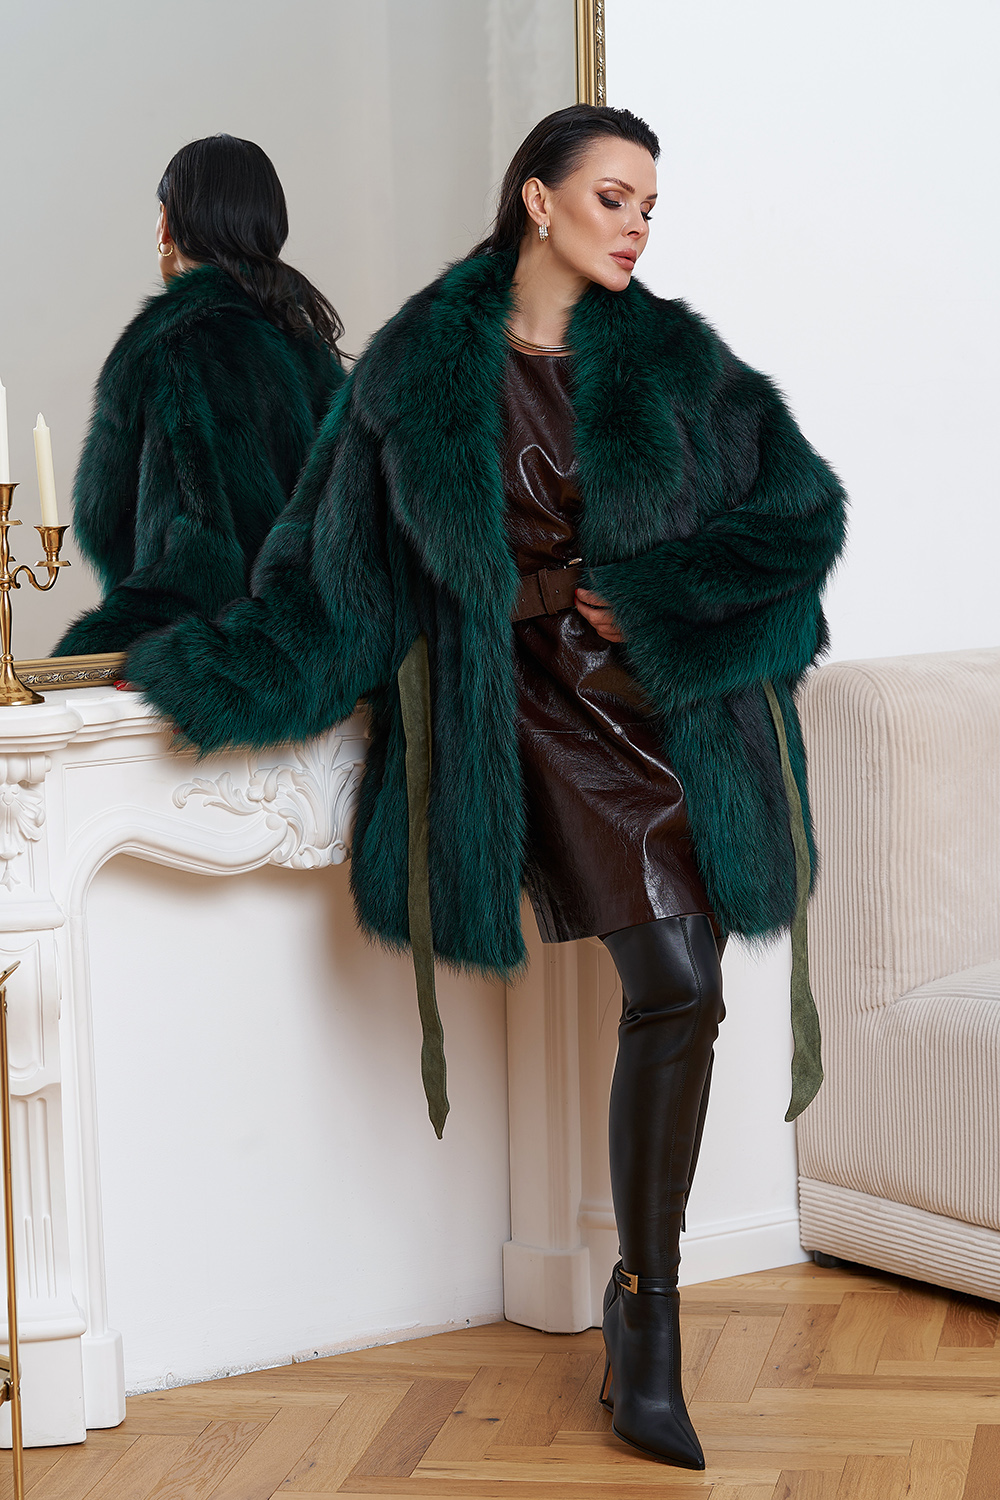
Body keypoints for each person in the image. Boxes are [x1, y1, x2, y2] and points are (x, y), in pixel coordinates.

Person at [126, 106, 846, 1468]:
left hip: (653, 707)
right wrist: (190, 666)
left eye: (649, 205)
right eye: (613, 197)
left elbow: (799, 514)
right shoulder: (419, 365)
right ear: (538, 199)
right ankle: (651, 1331)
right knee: (677, 977)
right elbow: (327, 571)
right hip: (517, 706)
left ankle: (644, 1309)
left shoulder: (678, 360)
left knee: (686, 985)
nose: (637, 225)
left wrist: (662, 594)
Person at [55, 134, 345, 656]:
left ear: (167, 226)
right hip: (312, 659)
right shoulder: (309, 347)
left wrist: (93, 657)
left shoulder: (178, 345)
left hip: (211, 662)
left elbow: (194, 561)